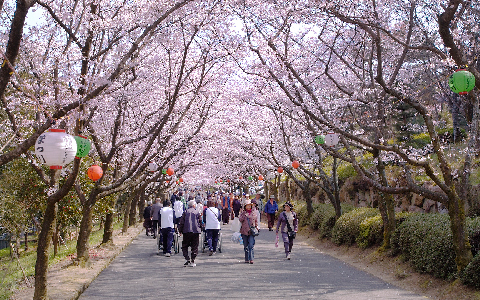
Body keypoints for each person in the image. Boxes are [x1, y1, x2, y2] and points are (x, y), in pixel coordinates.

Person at [178, 199, 202, 267]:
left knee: (185, 245)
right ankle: (193, 260)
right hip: (195, 231)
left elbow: (182, 222)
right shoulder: (197, 212)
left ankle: (187, 258)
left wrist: (180, 230)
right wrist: (201, 228)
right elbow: (200, 221)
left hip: (186, 231)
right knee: (195, 246)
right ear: (194, 205)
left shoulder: (185, 212)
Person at [239, 199, 258, 264]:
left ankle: (251, 258)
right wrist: (243, 215)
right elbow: (240, 220)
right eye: (247, 206)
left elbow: (256, 221)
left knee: (251, 245)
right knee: (246, 245)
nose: (249, 207)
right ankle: (246, 258)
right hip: (244, 231)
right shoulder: (243, 213)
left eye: (250, 205)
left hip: (251, 231)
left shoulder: (253, 212)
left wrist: (257, 227)